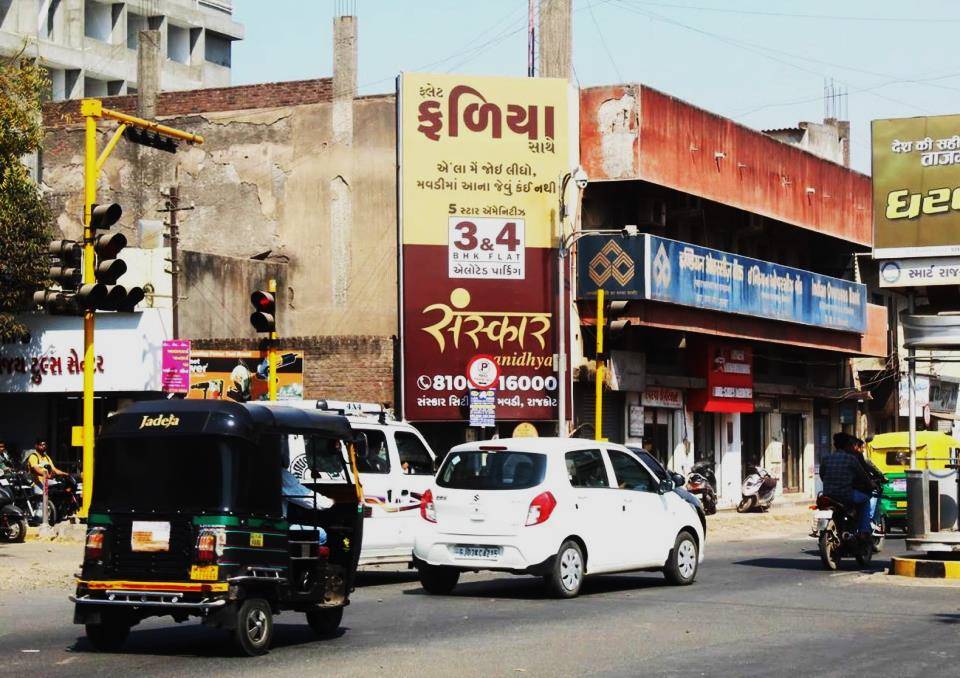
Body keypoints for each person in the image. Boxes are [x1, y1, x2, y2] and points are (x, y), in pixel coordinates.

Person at [819, 432, 875, 536]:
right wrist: (871, 484)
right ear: (847, 445)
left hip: (828, 494)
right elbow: (863, 476)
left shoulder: (826, 458)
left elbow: (822, 475)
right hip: (846, 495)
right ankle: (864, 532)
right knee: (865, 500)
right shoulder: (851, 459)